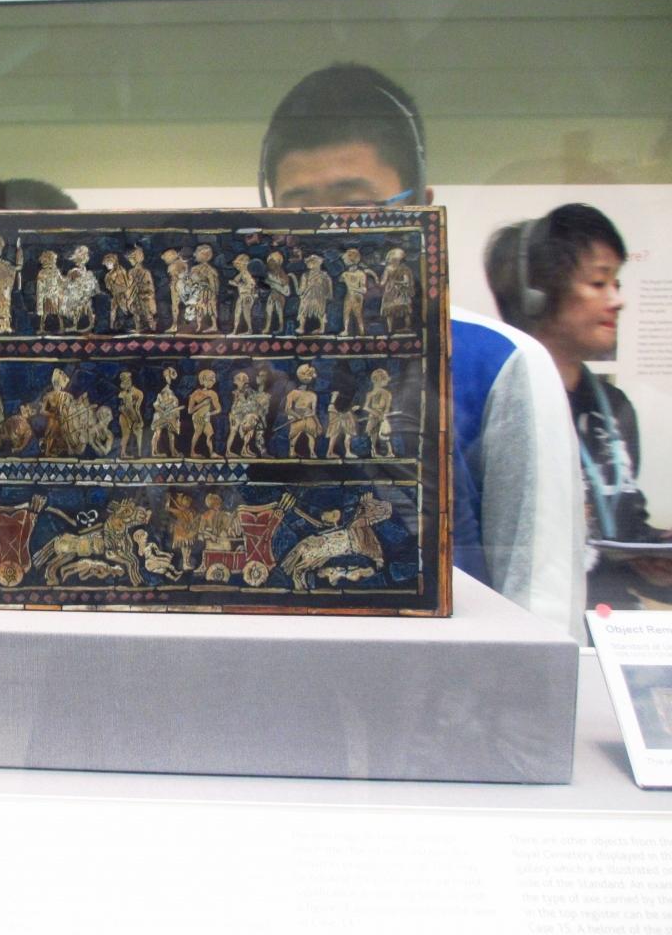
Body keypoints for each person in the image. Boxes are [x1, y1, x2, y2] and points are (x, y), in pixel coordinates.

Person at [260, 64, 585, 638]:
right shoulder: (253, 364)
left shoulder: (497, 363)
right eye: (296, 209)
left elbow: (542, 599)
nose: (327, 232)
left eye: (356, 206)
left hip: (448, 682)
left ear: (422, 208)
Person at [486, 203, 672, 609]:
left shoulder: (614, 408)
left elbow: (622, 522)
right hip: (532, 623)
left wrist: (653, 555)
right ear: (536, 293)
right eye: (599, 282)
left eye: (616, 283)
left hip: (611, 626)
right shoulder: (495, 404)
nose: (617, 300)